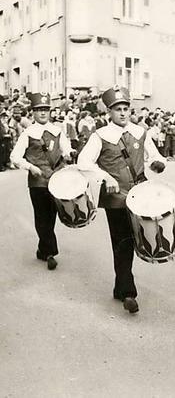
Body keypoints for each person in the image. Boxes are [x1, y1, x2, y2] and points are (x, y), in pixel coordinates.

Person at [77, 86, 166, 314]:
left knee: (139, 240)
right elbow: (84, 162)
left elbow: (154, 155)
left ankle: (120, 287)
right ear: (109, 112)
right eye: (118, 109)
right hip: (116, 197)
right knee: (123, 242)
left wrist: (158, 163)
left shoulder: (139, 132)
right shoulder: (100, 136)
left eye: (126, 108)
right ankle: (129, 292)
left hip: (140, 193)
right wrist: (105, 177)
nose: (123, 113)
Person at [10, 92, 72, 270]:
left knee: (51, 215)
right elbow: (15, 156)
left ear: (50, 112)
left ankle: (42, 249)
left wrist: (69, 155)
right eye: (39, 110)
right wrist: (30, 167)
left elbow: (66, 149)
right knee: (41, 215)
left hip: (56, 179)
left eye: (46, 109)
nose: (43, 113)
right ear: (33, 113)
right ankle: (51, 252)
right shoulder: (28, 133)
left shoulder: (57, 131)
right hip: (37, 181)